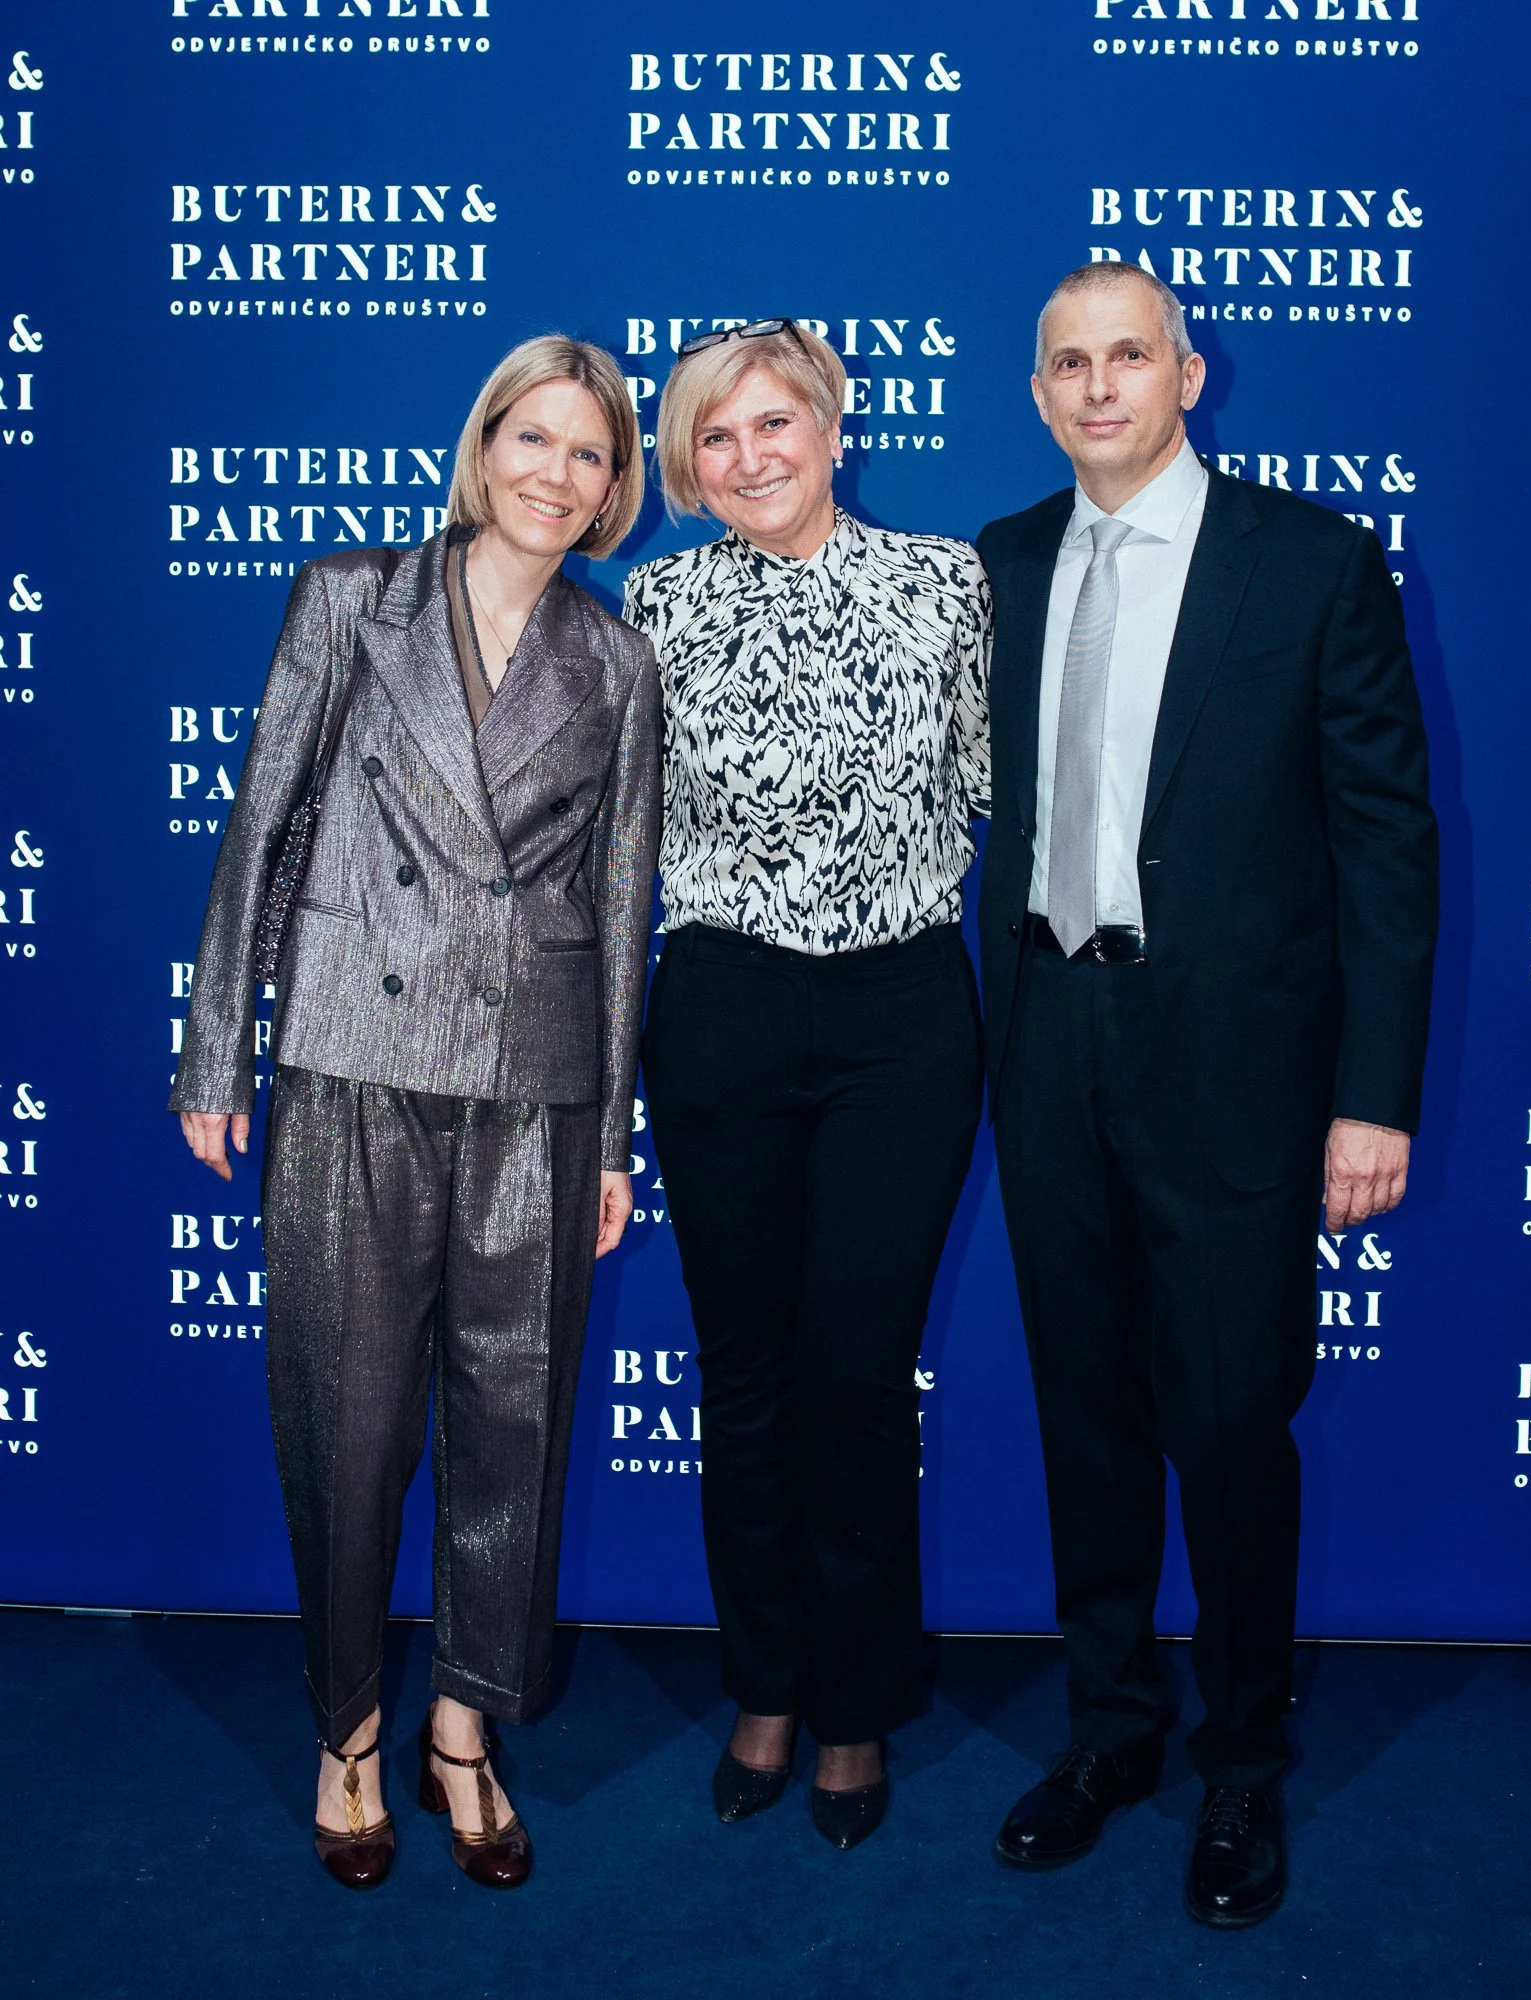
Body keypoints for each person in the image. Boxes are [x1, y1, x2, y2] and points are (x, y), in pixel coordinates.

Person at [977, 264, 1437, 1925]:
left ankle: (1241, 1768)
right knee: (1086, 1422)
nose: (1101, 387)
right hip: (1048, 1054)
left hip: (1239, 1073)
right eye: (1069, 363)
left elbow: (1389, 844)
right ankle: (1111, 1732)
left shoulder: (1311, 564)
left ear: (1190, 372)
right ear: (1039, 393)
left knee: (1234, 1433)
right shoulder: (1004, 565)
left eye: (1130, 357)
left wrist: (1371, 1097)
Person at [171, 336, 660, 1891]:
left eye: (588, 454)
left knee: (513, 1429)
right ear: (482, 445)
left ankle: (464, 1727)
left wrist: (606, 1134)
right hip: (350, 1061)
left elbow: (626, 895)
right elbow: (261, 821)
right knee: (348, 1419)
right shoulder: (346, 599)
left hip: (534, 1084)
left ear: (615, 486)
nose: (555, 476)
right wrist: (214, 1051)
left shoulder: (617, 662)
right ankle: (345, 1733)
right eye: (532, 439)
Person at [623, 320, 990, 1850]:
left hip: (903, 1016)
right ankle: (765, 1684)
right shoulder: (655, 603)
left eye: (777, 422)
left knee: (857, 1375)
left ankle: (858, 1705)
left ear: (835, 429)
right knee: (748, 1371)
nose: (750, 455)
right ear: (688, 471)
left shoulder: (946, 583)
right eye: (717, 437)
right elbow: (622, 843)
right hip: (720, 1011)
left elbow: (996, 793)